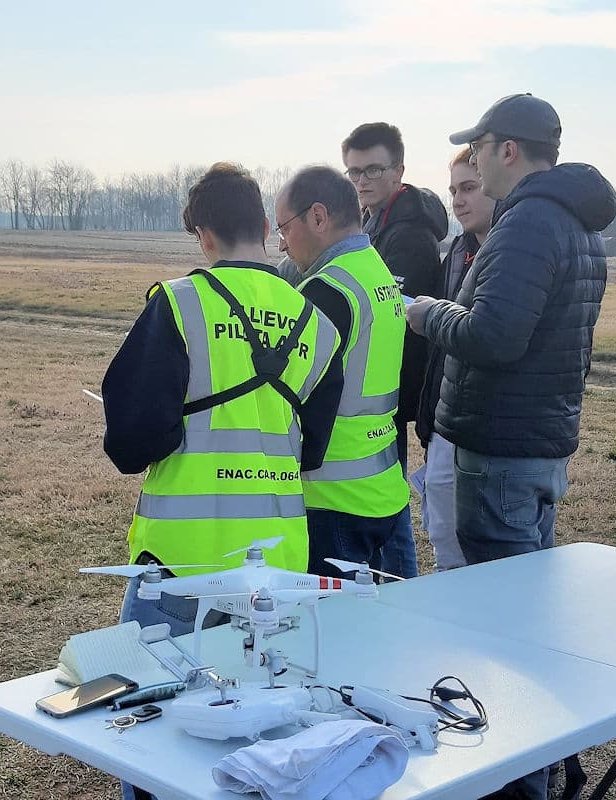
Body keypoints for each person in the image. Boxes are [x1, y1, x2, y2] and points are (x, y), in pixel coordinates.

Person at [102, 163, 343, 800]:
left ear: (202, 234)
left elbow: (130, 442)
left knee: (154, 733)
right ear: (266, 227)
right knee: (260, 732)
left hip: (181, 564)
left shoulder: (178, 304)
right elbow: (312, 449)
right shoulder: (316, 324)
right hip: (278, 566)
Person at [407, 94, 616, 799]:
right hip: (536, 447)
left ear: (508, 150)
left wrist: (423, 311)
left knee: (500, 637)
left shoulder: (528, 222)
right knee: (523, 624)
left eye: (480, 146)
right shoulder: (577, 222)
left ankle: (516, 783)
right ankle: (534, 773)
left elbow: (494, 336)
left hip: (499, 454)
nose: (472, 160)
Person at [275, 166, 411, 579]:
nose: (281, 242)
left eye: (284, 227)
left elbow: (292, 394)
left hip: (331, 499)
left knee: (329, 633)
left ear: (318, 217)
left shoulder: (327, 291)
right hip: (382, 488)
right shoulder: (375, 272)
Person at [341, 122, 448, 579]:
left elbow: (393, 315)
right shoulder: (377, 222)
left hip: (394, 384)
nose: (361, 181)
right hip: (383, 384)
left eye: (372, 170)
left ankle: (402, 585)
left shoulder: (408, 234)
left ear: (398, 170)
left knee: (390, 503)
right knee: (386, 495)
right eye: (353, 172)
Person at [414, 146, 495, 572]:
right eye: (453, 190)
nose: (458, 200)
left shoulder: (506, 252)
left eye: (469, 187)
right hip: (447, 409)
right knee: (441, 516)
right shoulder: (458, 252)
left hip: (486, 420)